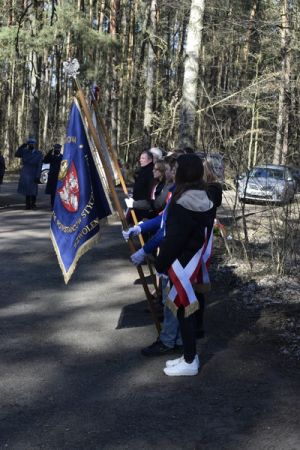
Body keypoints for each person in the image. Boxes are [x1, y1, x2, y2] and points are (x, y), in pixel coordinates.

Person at [125, 150, 154, 222]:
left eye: (143, 158)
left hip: (143, 207)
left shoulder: (151, 172)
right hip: (137, 203)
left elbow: (149, 190)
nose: (140, 160)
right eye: (140, 158)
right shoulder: (143, 170)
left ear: (150, 160)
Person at [15, 138, 43, 210]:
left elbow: (40, 165)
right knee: (27, 190)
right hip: (26, 172)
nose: (31, 145)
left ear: (34, 145)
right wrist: (22, 146)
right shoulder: (24, 151)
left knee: (33, 190)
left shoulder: (39, 153)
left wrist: (38, 176)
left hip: (34, 171)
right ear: (28, 144)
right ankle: (27, 205)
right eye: (30, 144)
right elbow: (17, 154)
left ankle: (33, 204)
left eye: (32, 144)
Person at [43, 143, 63, 208]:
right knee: (53, 192)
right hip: (52, 177)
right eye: (55, 149)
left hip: (60, 177)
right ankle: (53, 205)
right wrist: (49, 153)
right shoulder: (51, 157)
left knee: (60, 192)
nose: (57, 150)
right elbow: (45, 161)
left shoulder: (62, 157)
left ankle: (59, 206)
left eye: (58, 149)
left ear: (60, 149)